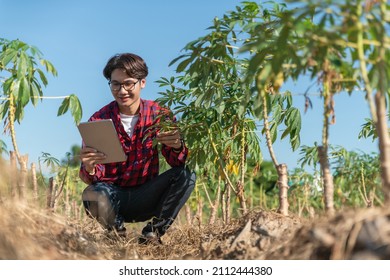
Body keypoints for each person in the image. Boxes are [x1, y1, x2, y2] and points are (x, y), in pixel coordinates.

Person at [79, 53, 196, 244]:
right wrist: (90, 167)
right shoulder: (98, 120)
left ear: (142, 83)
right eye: (115, 84)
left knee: (187, 175)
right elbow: (92, 179)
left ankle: (152, 234)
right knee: (93, 193)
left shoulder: (159, 114)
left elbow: (178, 163)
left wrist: (177, 146)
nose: (122, 90)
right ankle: (117, 235)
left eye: (128, 84)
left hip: (148, 196)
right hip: (114, 198)